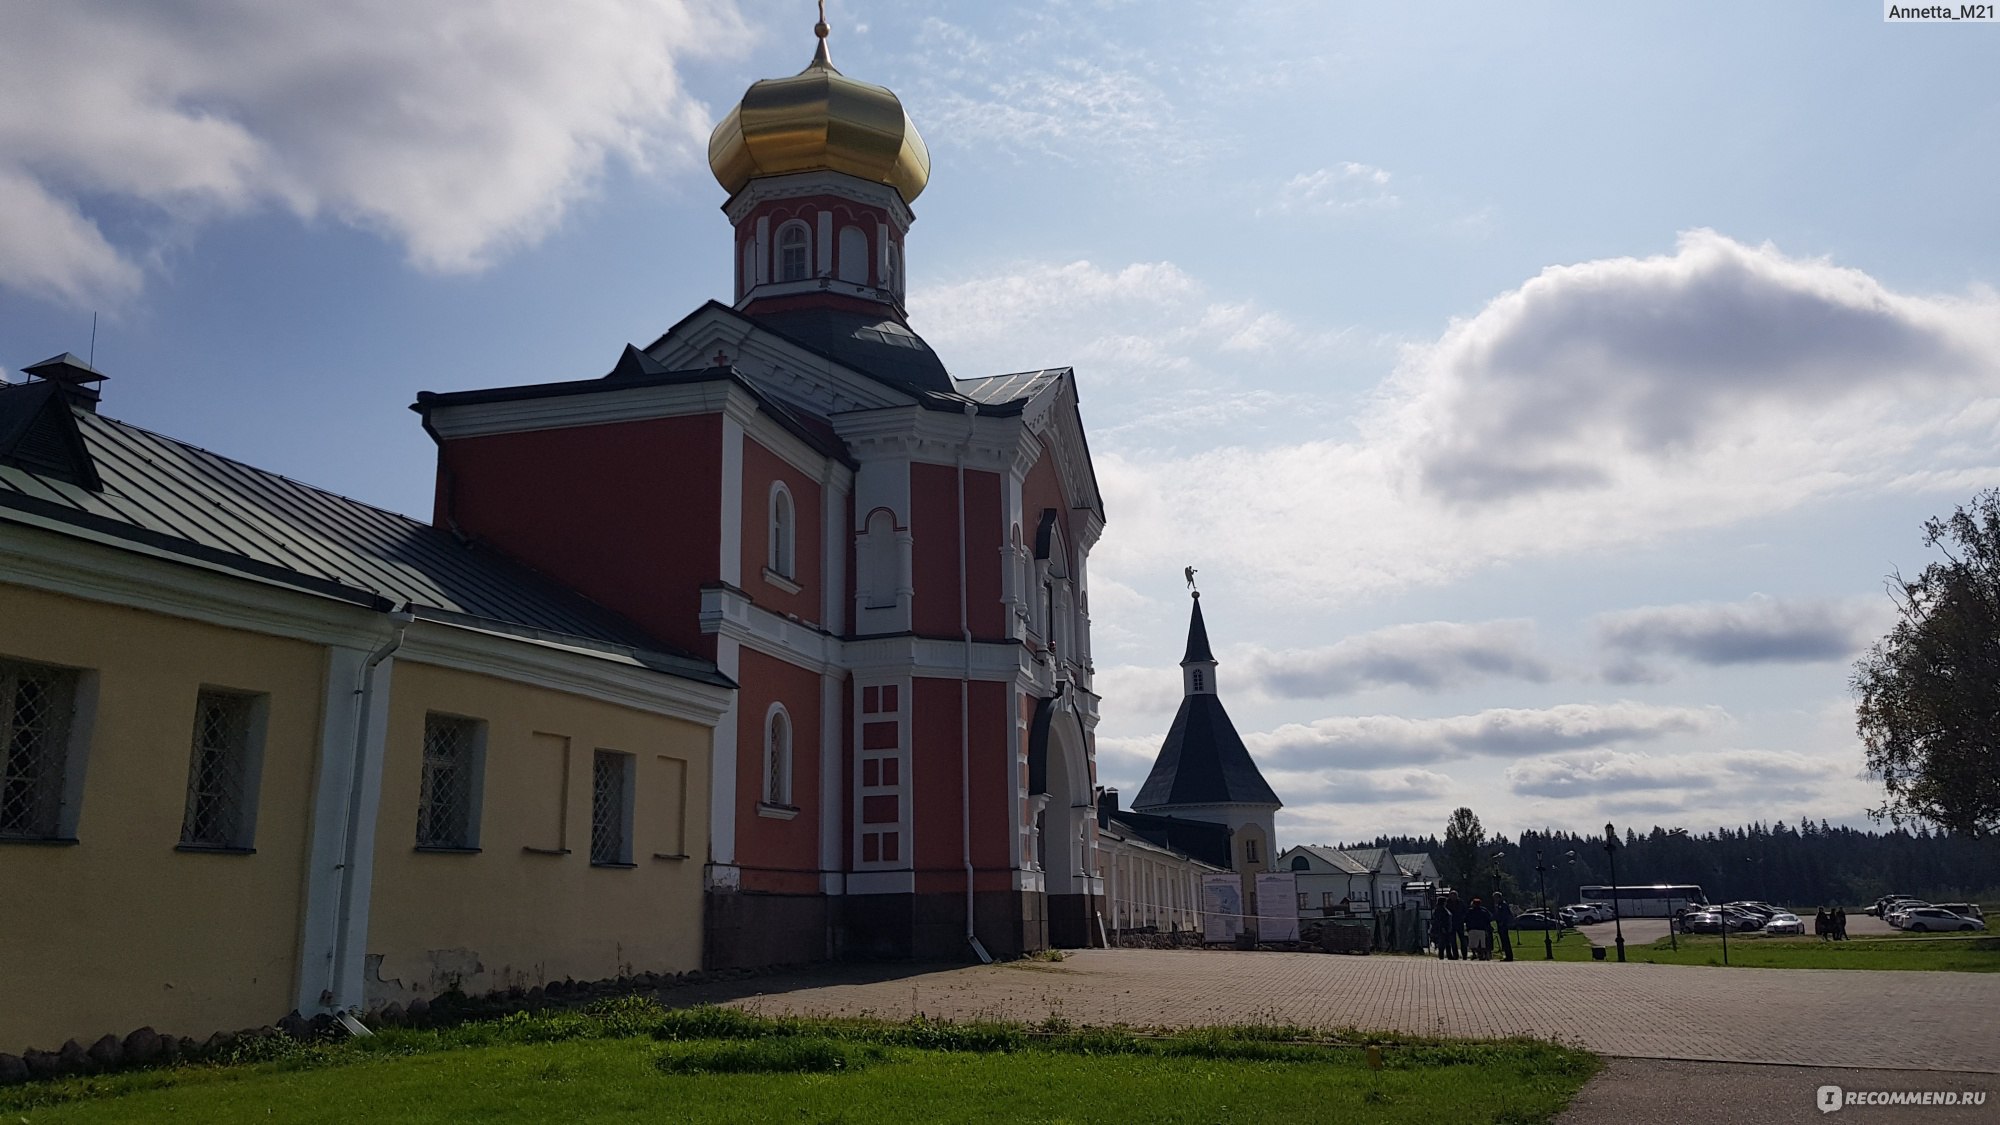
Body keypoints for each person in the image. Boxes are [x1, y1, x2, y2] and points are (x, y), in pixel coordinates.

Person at [1494, 892, 1515, 962]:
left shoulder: (1503, 905)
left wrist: (1501, 922)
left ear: (1499, 897)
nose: (1495, 899)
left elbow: (1504, 915)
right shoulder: (1500, 905)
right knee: (1504, 941)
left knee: (1506, 941)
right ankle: (1508, 955)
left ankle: (1509, 956)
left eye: (1495, 898)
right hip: (1501, 925)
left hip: (1503, 925)